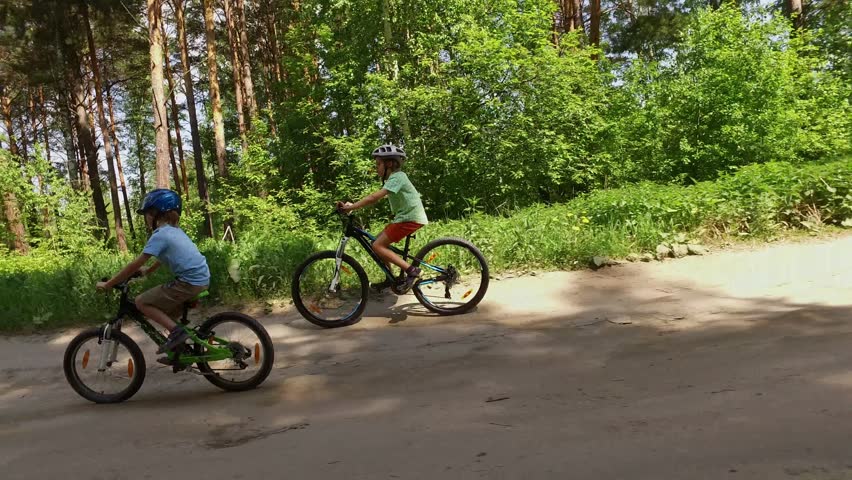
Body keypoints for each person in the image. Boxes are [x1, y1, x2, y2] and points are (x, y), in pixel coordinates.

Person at [96, 189, 210, 355]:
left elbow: (135, 264)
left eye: (147, 214)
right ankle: (180, 350)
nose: (146, 218)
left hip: (188, 283)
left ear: (156, 214)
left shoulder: (160, 235)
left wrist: (108, 284)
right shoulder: (175, 231)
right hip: (201, 279)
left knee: (141, 302)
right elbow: (165, 256)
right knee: (163, 311)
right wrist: (148, 270)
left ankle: (178, 334)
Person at [338, 144, 428, 292]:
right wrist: (352, 205)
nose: (376, 168)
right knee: (377, 243)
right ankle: (390, 278)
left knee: (377, 246)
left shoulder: (398, 176)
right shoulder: (393, 179)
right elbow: (373, 199)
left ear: (390, 164)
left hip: (410, 218)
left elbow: (374, 197)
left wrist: (351, 207)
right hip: (405, 217)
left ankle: (412, 270)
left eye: (378, 164)